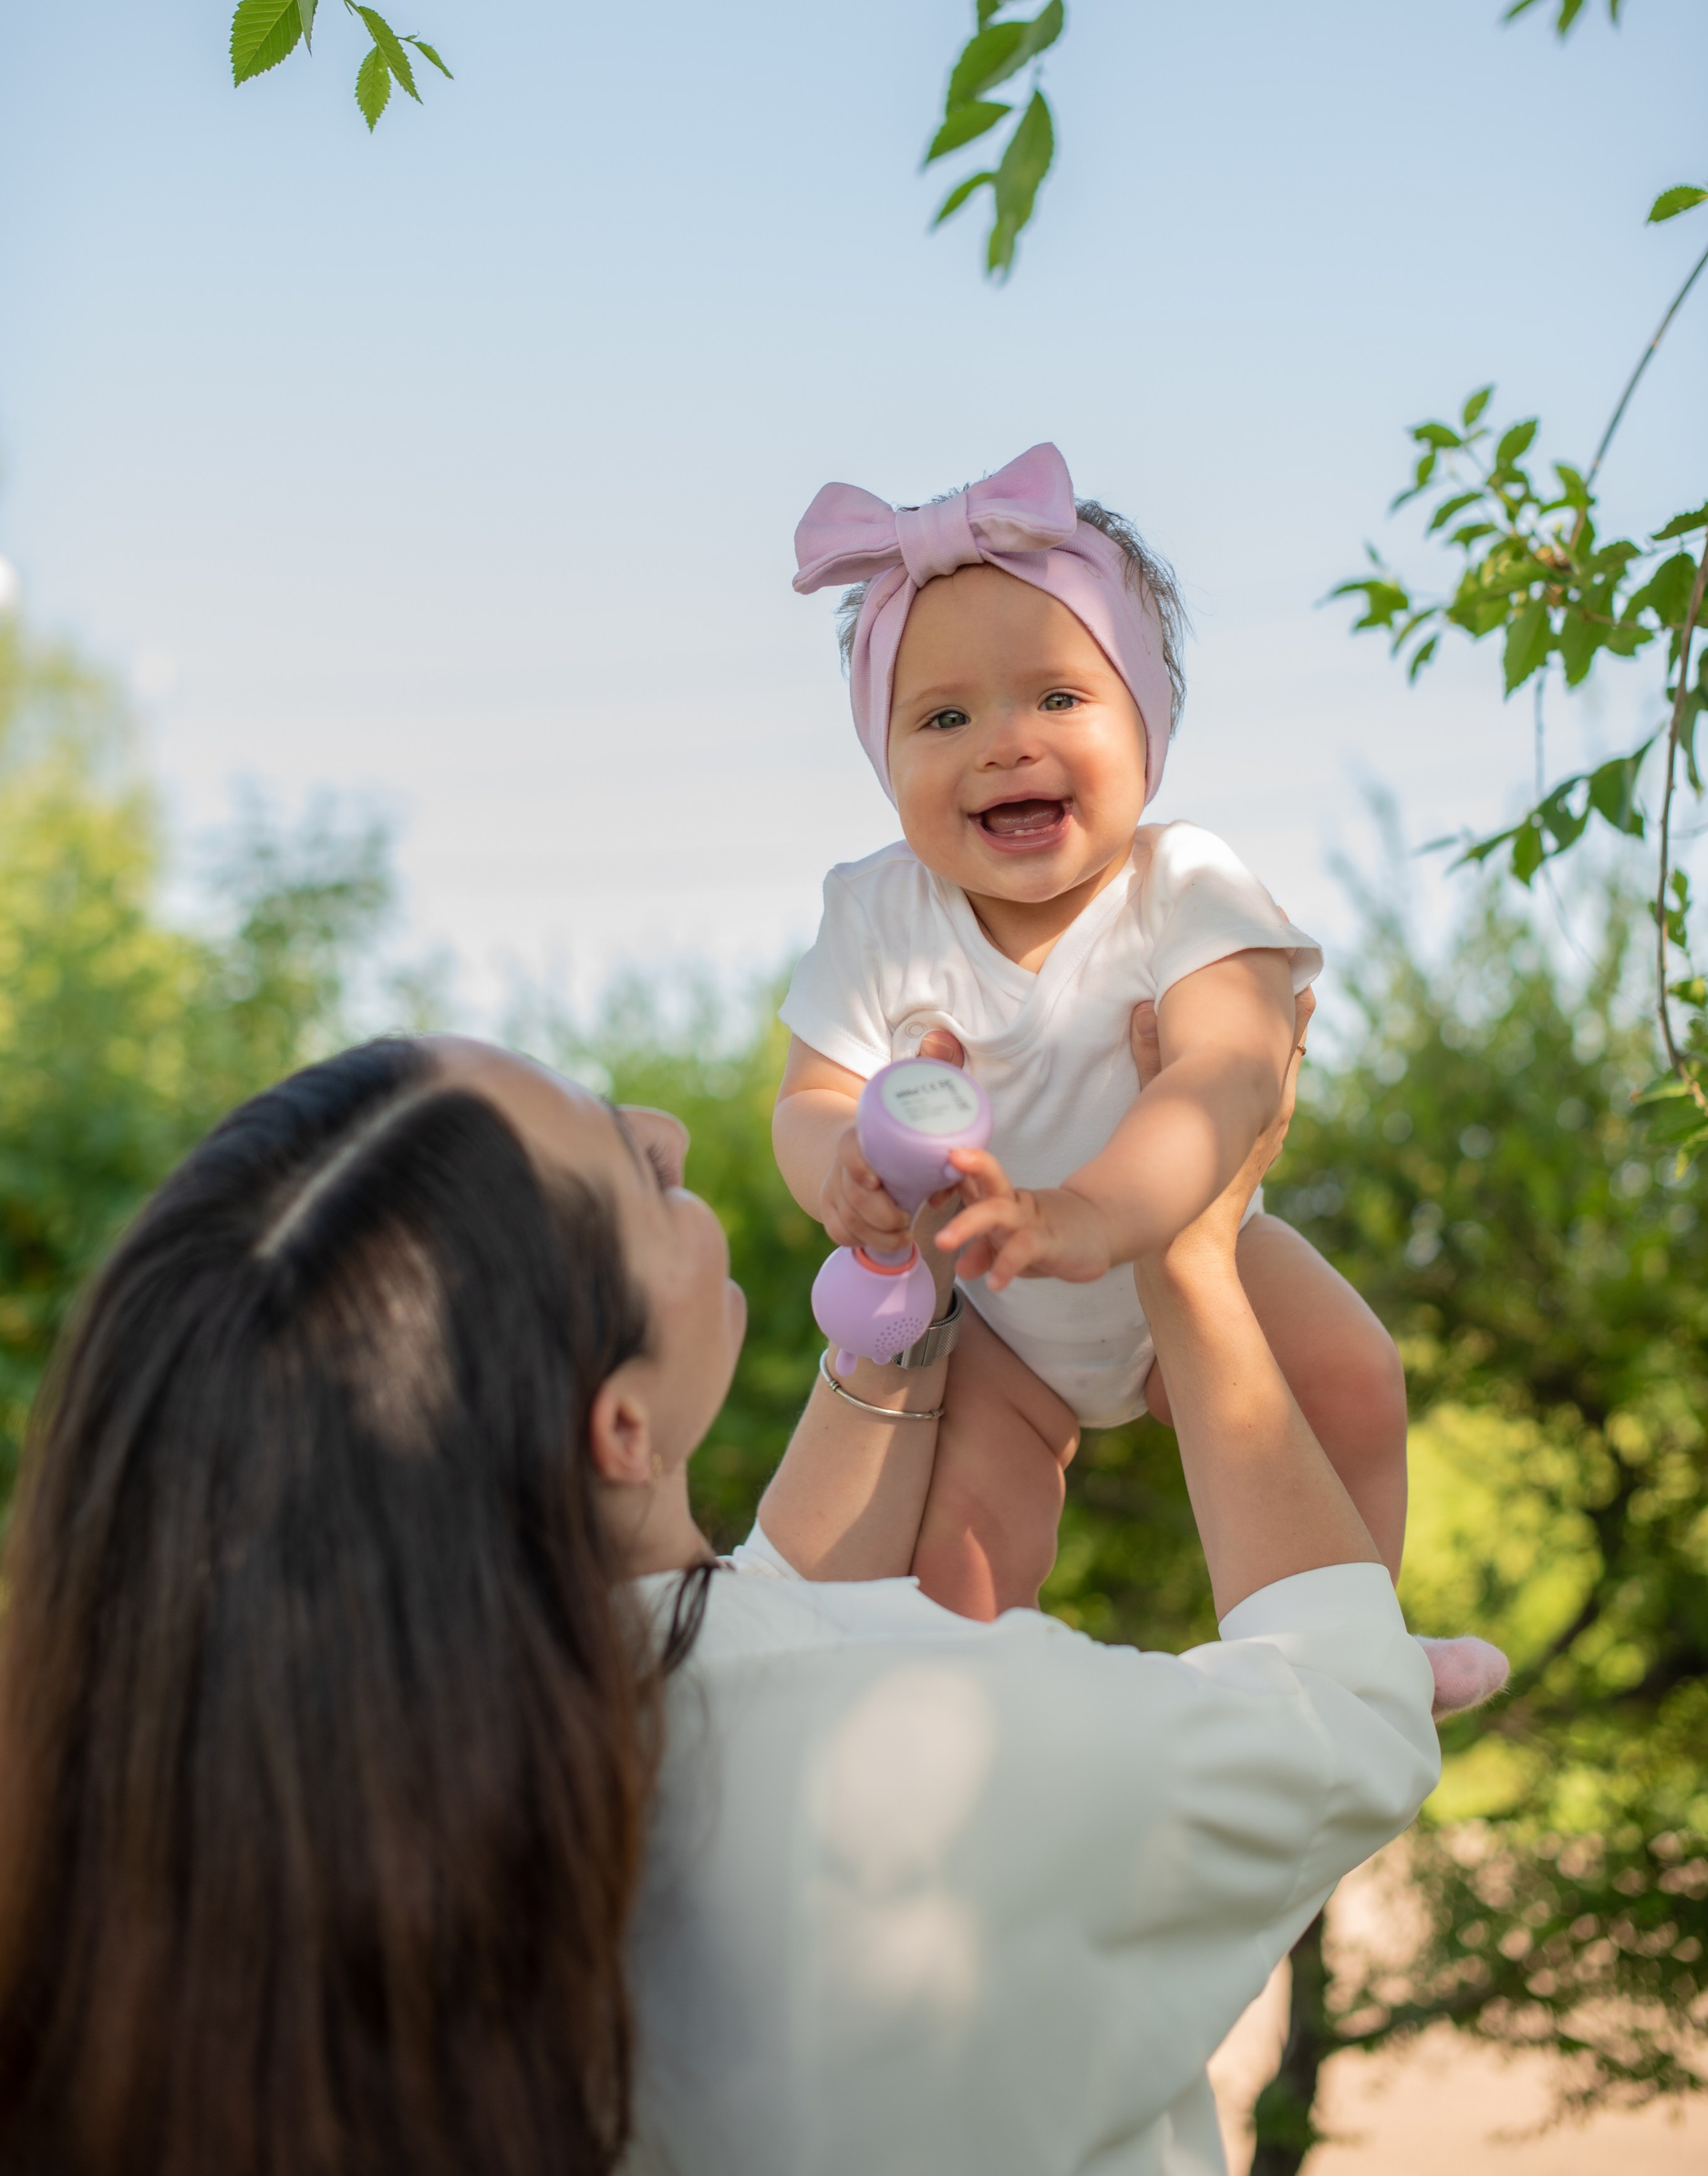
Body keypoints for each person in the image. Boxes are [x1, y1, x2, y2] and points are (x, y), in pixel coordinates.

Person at [0, 1014, 1438, 2176]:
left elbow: (760, 1619)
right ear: (619, 1426)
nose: (672, 1130)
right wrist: (1186, 1252)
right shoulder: (948, 1760)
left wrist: (905, 1312)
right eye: (635, 1171)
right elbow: (1347, 1718)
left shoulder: (352, 1787)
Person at [775, 440, 1506, 1717]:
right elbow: (814, 1093)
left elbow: (1225, 1076)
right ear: (883, 758)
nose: (1005, 745)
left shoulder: (1188, 886)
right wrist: (838, 1169)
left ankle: (1363, 1642)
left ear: (1150, 720)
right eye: (943, 718)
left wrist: (1092, 1216)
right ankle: (966, 1723)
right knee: (969, 1537)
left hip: (1180, 1239)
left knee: (1349, 1379)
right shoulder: (878, 912)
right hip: (998, 1309)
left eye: (1059, 698)